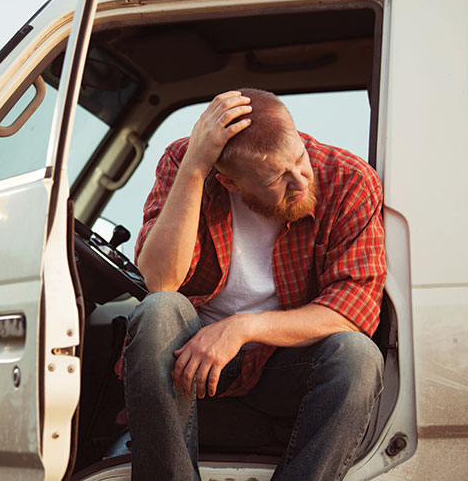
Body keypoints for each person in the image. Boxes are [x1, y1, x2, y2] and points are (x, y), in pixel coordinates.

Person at [122, 88, 386, 480]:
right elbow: (162, 281)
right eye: (279, 177)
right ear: (230, 183)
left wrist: (244, 328)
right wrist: (194, 166)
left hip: (283, 362)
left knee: (357, 356)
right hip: (191, 363)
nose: (300, 181)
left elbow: (355, 308)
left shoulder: (348, 179)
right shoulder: (185, 162)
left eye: (299, 158)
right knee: (159, 310)